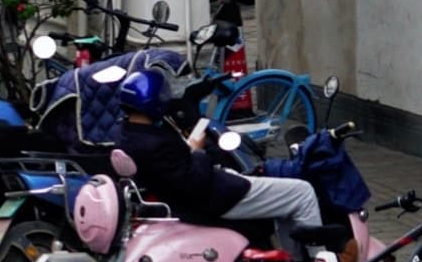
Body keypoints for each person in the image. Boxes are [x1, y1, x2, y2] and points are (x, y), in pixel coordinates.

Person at [117, 67, 325, 238]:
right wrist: (197, 151)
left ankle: (293, 261)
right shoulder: (155, 145)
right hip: (216, 195)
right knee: (302, 192)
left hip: (193, 193)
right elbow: (195, 183)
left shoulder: (126, 136)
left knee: (281, 195)